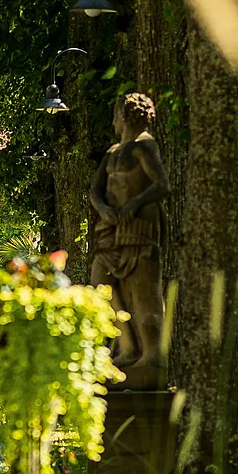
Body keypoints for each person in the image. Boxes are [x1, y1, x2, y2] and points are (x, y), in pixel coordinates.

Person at [89, 91, 170, 388]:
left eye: (115, 114)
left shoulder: (144, 145)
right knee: (102, 285)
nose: (113, 121)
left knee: (143, 291)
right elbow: (95, 190)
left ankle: (153, 356)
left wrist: (135, 204)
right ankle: (127, 347)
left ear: (125, 116)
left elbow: (162, 183)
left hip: (138, 227)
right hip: (111, 229)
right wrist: (103, 209)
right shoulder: (113, 151)